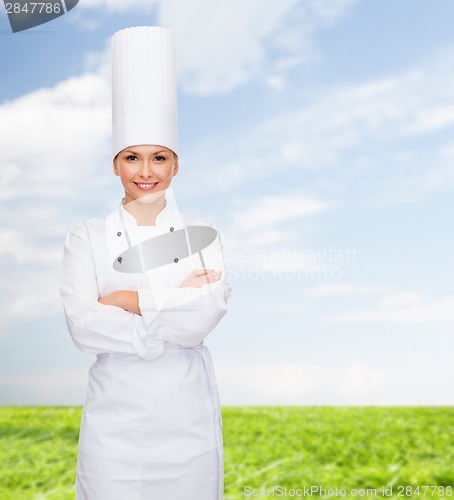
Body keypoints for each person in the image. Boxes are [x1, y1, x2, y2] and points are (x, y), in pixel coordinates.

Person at [59, 26, 232, 500]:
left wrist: (123, 301)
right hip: (115, 425)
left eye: (159, 158)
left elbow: (204, 314)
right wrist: (171, 301)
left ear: (176, 165)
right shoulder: (86, 236)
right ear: (115, 164)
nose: (146, 171)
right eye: (132, 157)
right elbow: (82, 325)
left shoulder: (204, 233)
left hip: (186, 421)